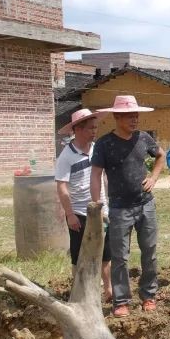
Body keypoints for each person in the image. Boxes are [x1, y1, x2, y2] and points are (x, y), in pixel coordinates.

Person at [90, 95, 165, 317]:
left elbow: (160, 156)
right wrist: (96, 206)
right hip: (119, 208)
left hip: (145, 205)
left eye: (136, 116)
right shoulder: (104, 144)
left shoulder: (143, 138)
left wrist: (153, 177)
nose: (134, 120)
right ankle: (121, 301)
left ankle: (149, 295)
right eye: (129, 116)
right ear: (116, 117)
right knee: (120, 256)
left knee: (149, 252)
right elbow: (96, 175)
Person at [55, 108, 112, 301]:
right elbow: (62, 187)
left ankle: (108, 291)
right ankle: (80, 294)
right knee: (79, 255)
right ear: (77, 129)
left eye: (96, 128)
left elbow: (103, 177)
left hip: (102, 210)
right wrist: (69, 214)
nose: (94, 131)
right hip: (79, 212)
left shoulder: (97, 149)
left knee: (105, 253)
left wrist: (107, 203)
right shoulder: (66, 156)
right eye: (90, 128)